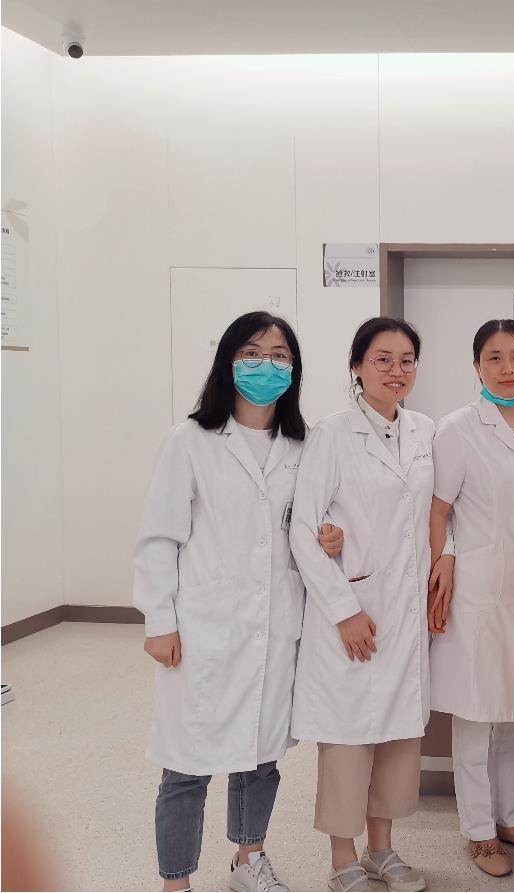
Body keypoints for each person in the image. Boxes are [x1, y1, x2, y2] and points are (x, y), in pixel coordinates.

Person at [134, 311, 337, 892]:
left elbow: (312, 522)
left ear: (294, 370)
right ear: (228, 361)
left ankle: (250, 860)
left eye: (279, 356)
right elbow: (159, 536)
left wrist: (329, 536)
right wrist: (159, 619)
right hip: (204, 627)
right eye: (252, 353)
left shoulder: (303, 445)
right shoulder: (191, 441)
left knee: (261, 757)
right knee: (186, 763)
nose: (265, 365)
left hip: (274, 626)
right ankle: (176, 881)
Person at [290, 317, 445, 892]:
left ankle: (382, 849)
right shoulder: (331, 434)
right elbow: (304, 530)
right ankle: (342, 858)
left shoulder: (424, 430)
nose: (396, 371)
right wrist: (343, 610)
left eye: (406, 360)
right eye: (382, 359)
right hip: (354, 606)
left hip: (405, 610)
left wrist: (447, 558)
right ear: (357, 366)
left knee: (398, 735)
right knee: (349, 737)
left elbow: (439, 510)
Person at [427, 319, 514, 878]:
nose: (508, 369)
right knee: (478, 717)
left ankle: (511, 817)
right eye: (495, 358)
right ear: (477, 366)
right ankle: (478, 829)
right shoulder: (458, 428)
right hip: (479, 593)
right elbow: (437, 509)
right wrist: (444, 559)